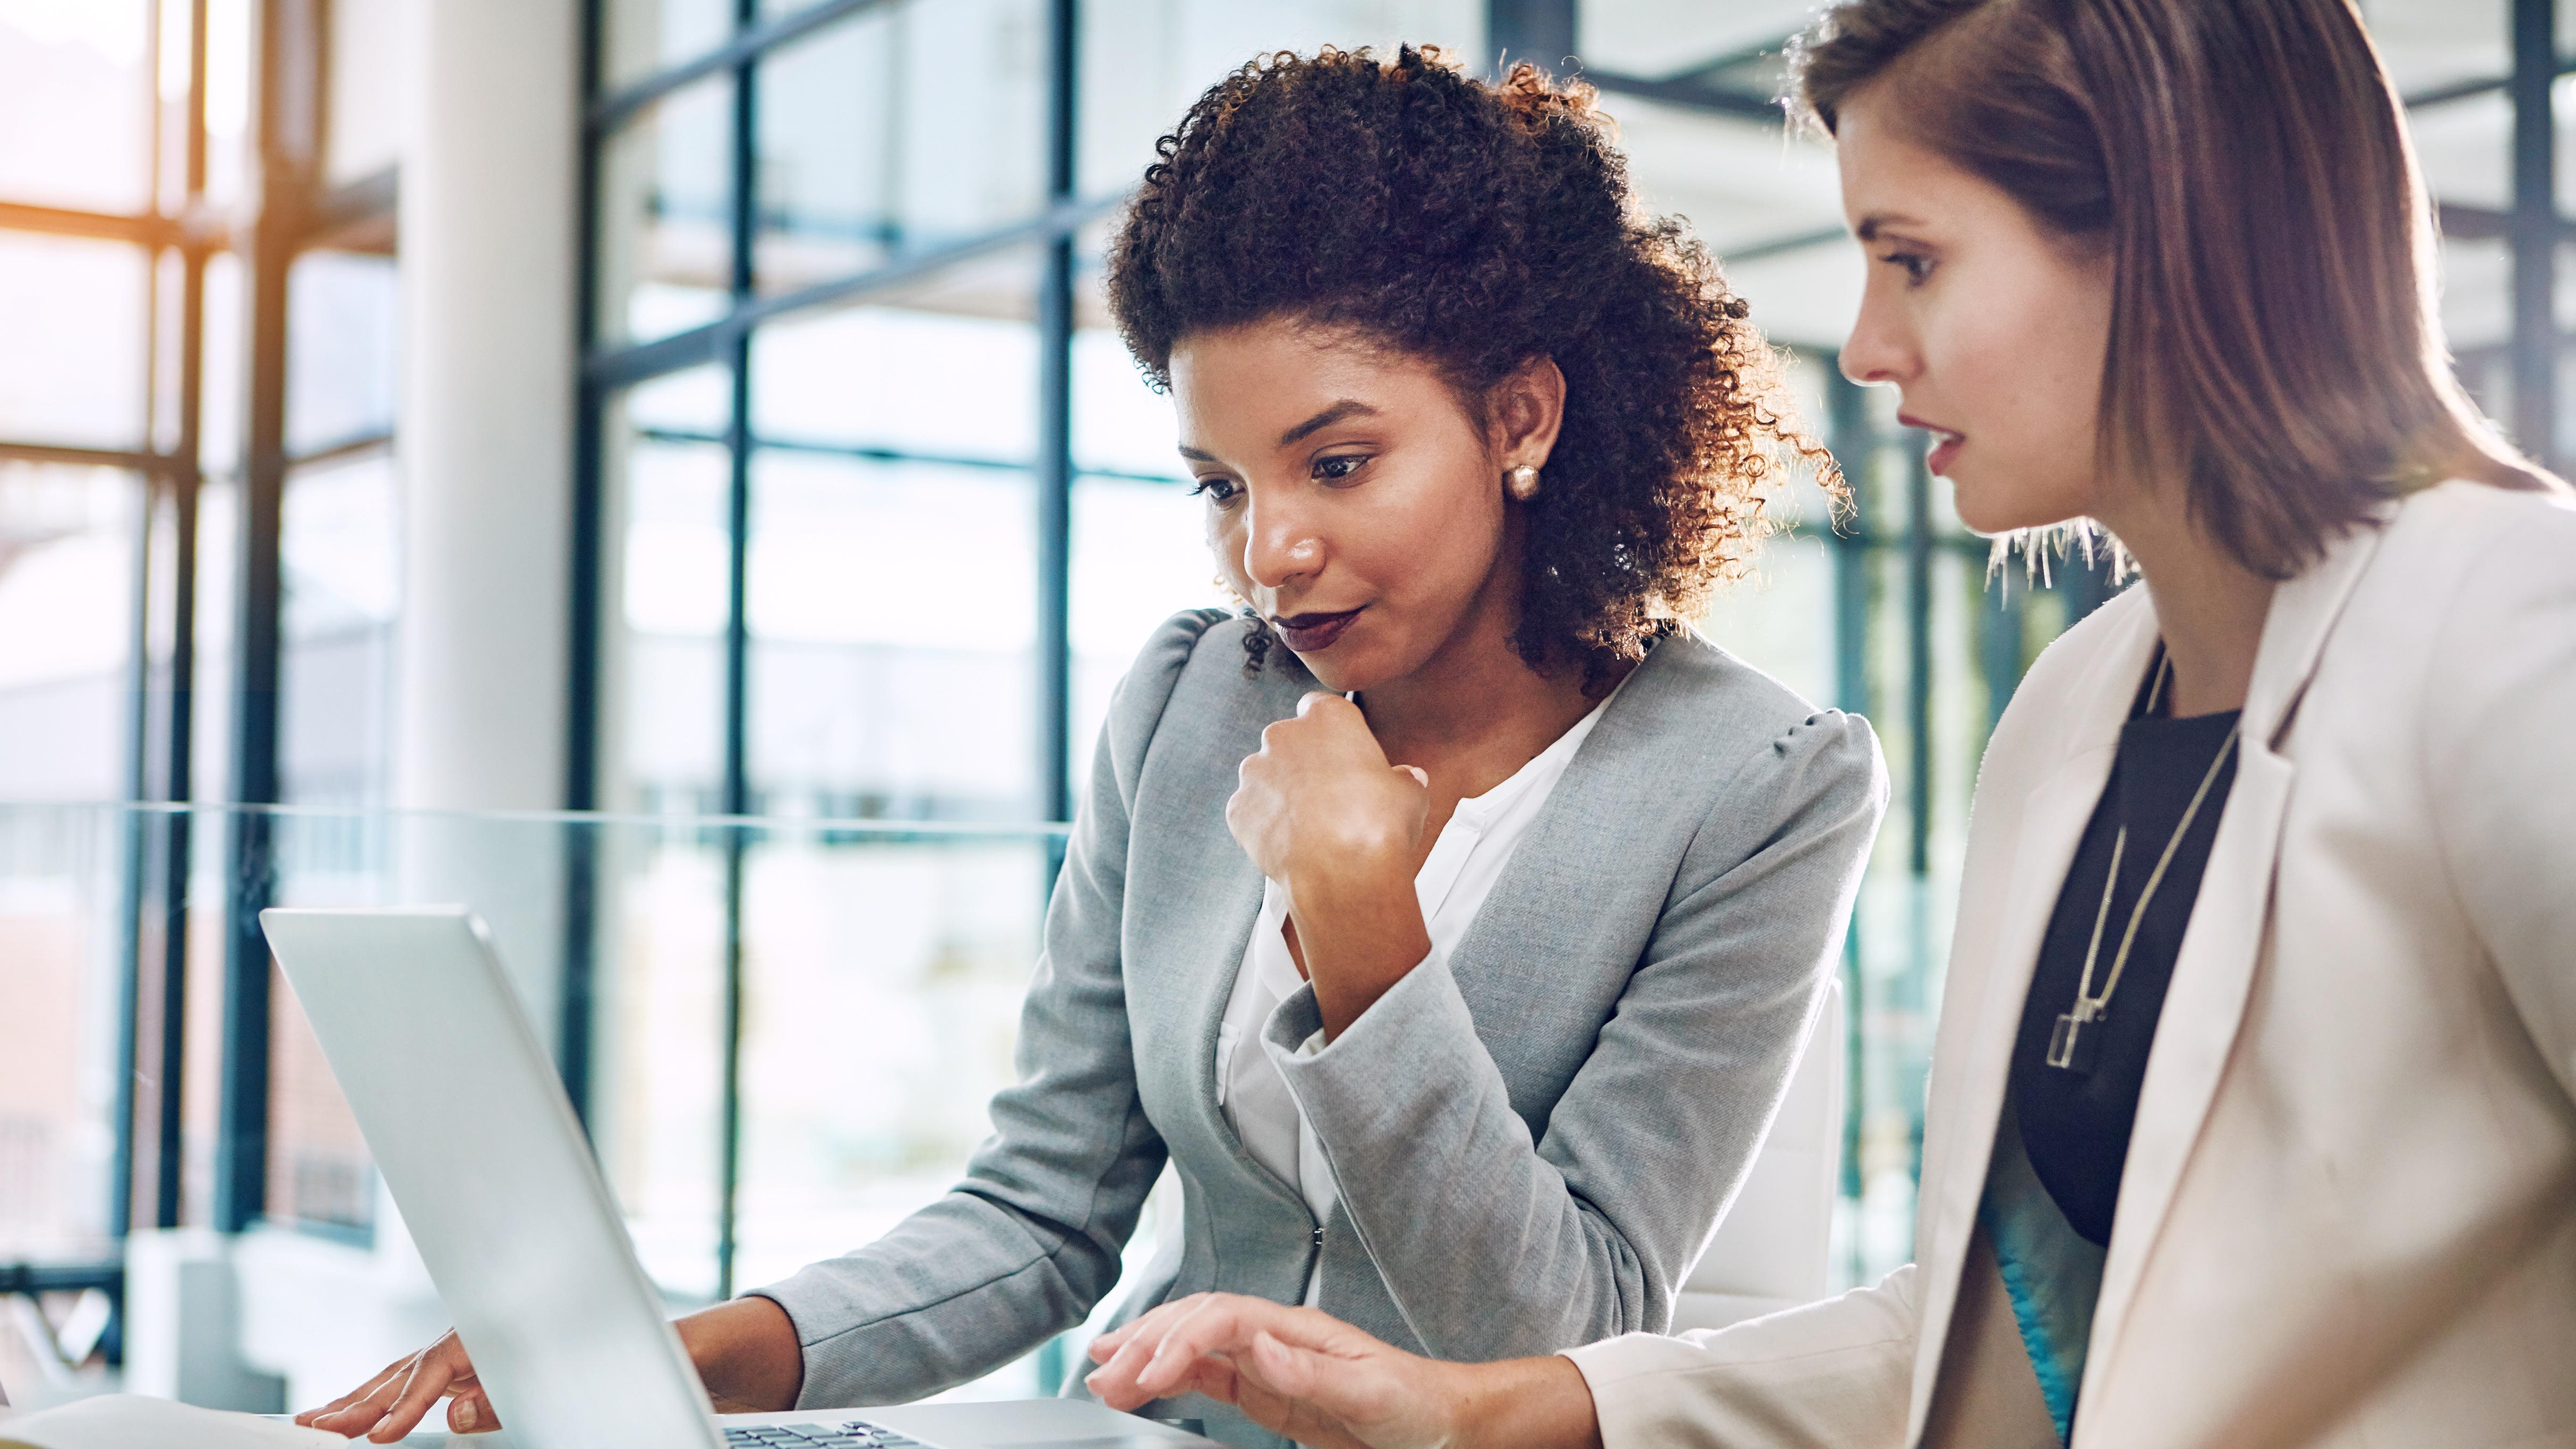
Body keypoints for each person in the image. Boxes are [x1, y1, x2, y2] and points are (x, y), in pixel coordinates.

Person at [302, 47, 1887, 1447]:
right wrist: (718, 1352)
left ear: (1522, 418)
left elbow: (1562, 1334)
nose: (1268, 551)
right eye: (1220, 484)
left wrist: (1364, 936)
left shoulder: (1759, 784)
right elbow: (1044, 1212)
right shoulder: (1197, 699)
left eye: (1336, 462)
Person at [1083, 3, 2576, 1447]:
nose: (1864, 348)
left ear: (2173, 233)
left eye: (1912, 261)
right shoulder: (2069, 710)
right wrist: (1479, 1413)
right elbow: (2009, 1322)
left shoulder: (2525, 633)